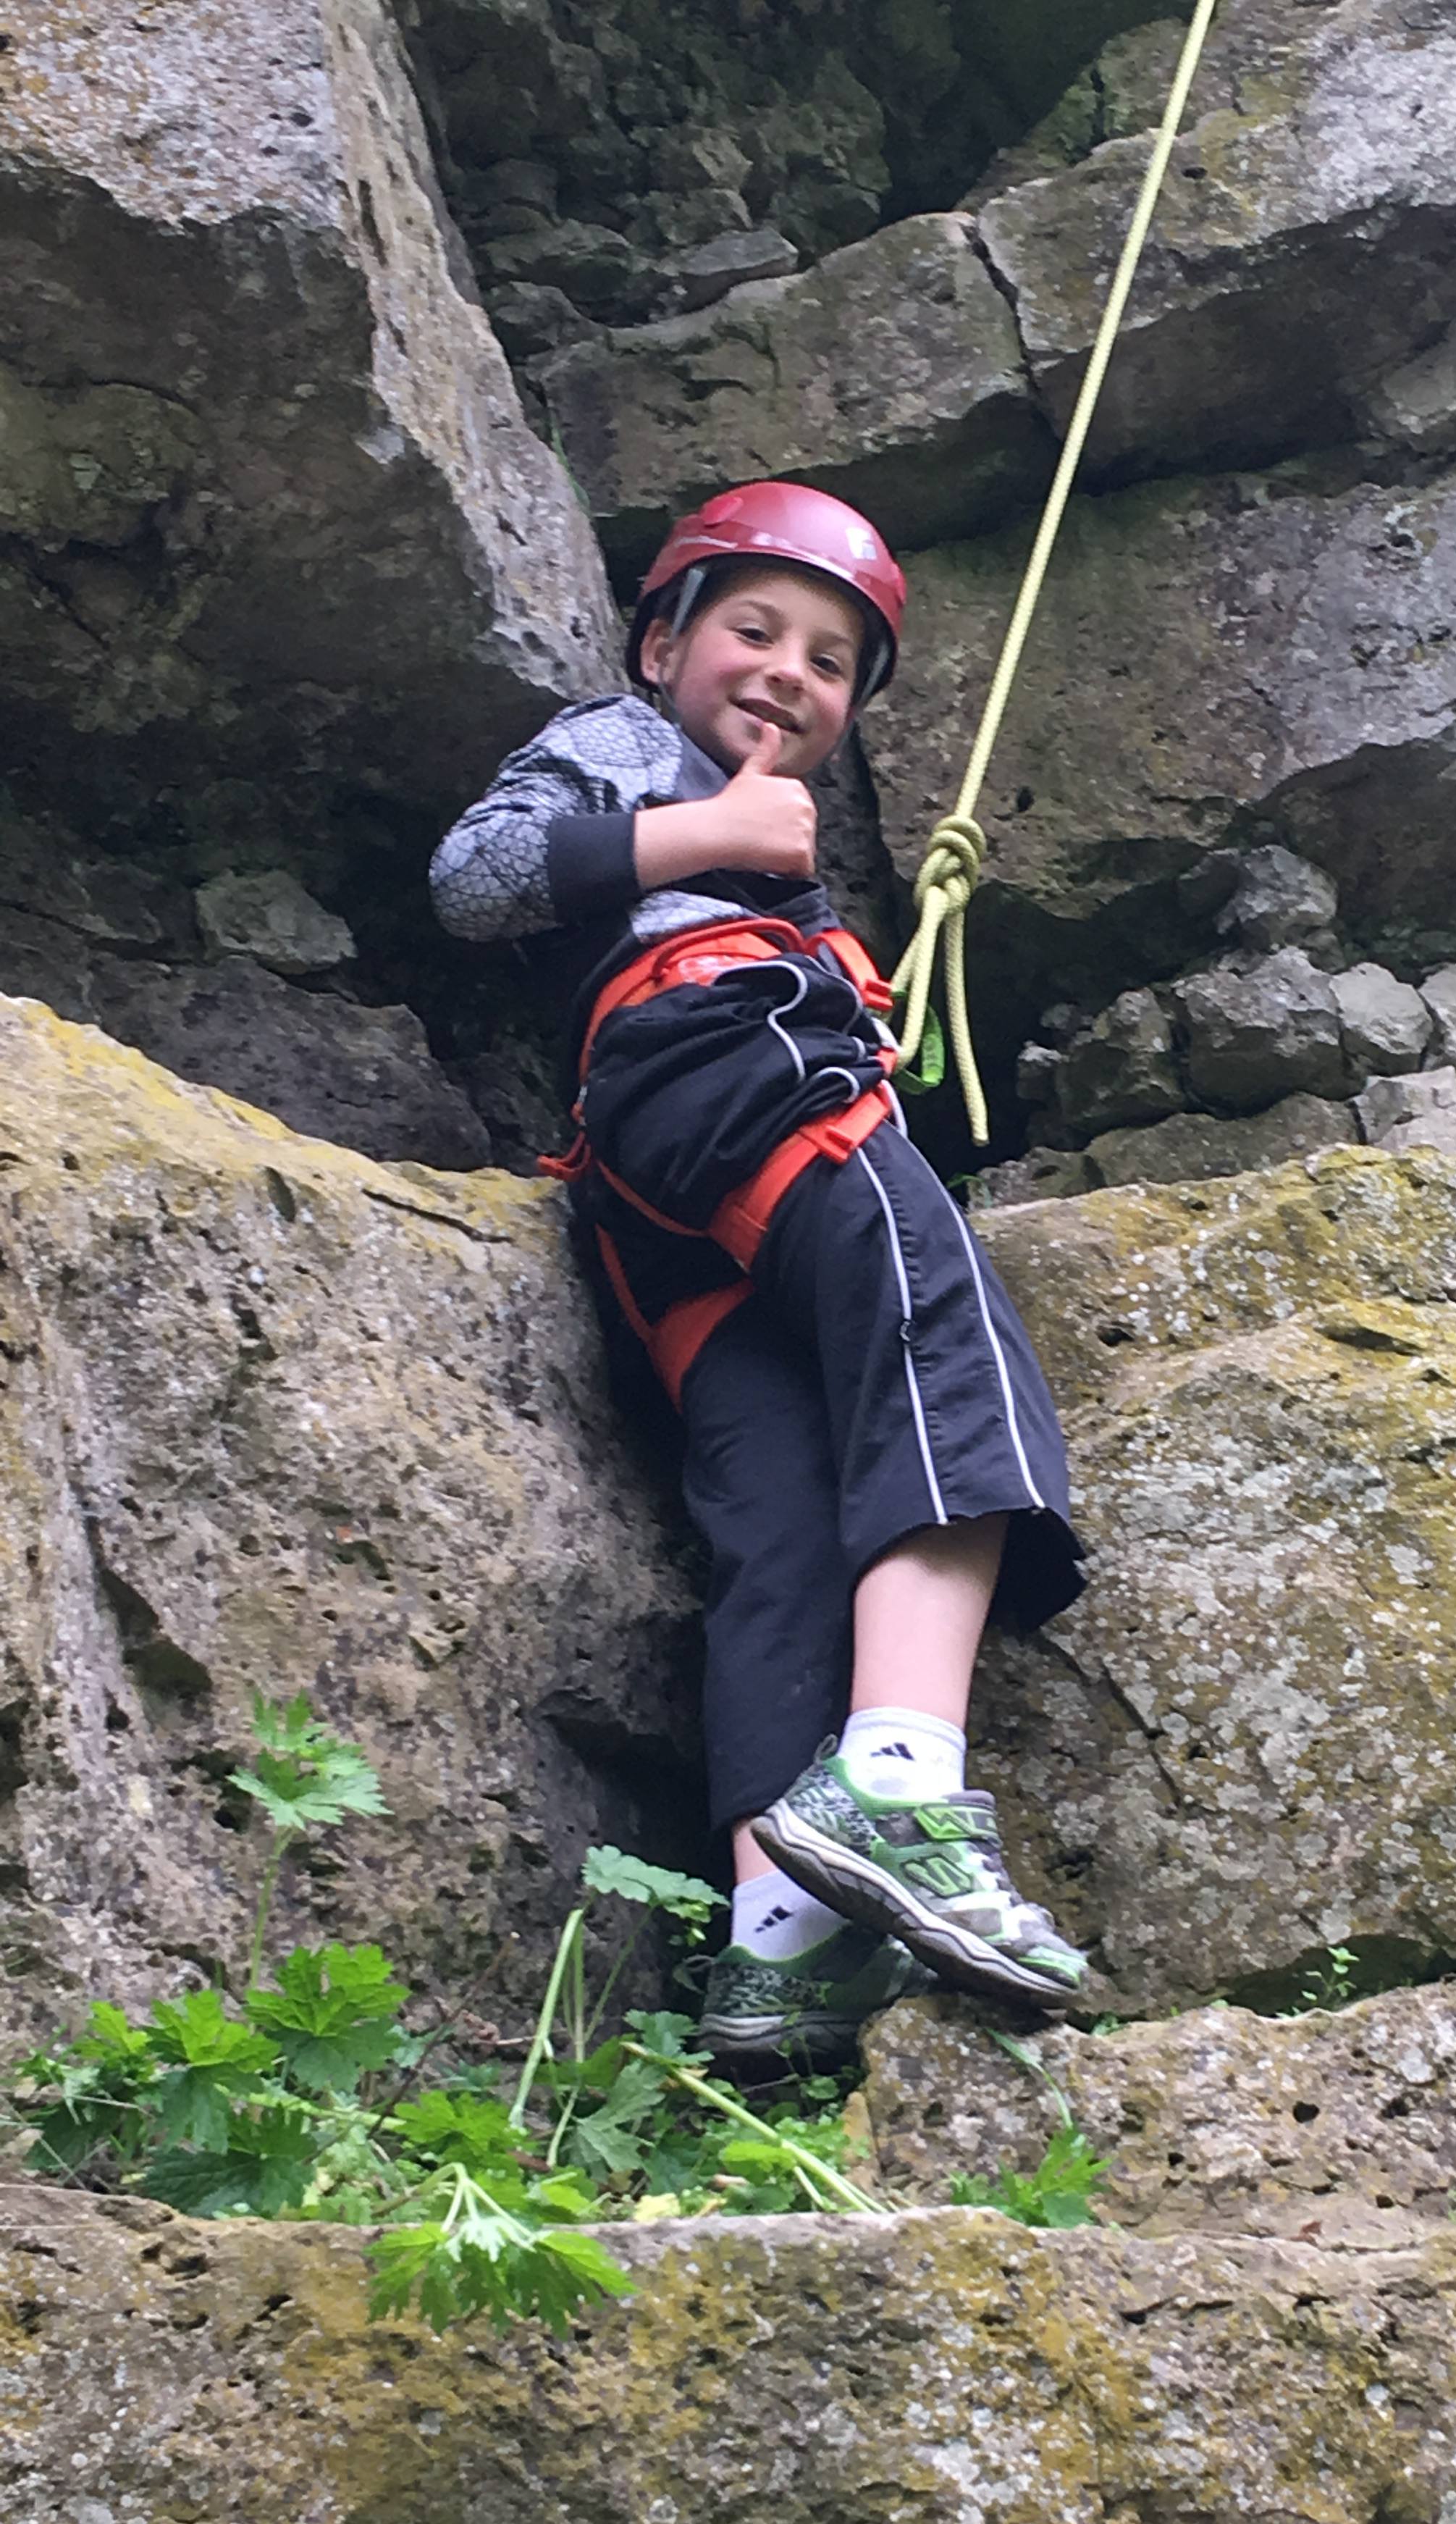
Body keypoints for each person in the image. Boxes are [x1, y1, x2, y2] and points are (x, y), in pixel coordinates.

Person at [429, 482, 1086, 2069]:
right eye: (754, 630)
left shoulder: (777, 846)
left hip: (664, 1199)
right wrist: (715, 835)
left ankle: (777, 1947)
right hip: (724, 1063)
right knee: (938, 1321)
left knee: (779, 1519)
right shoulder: (628, 747)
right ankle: (900, 1777)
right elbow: (475, 877)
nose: (792, 672)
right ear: (662, 645)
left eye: (831, 662)